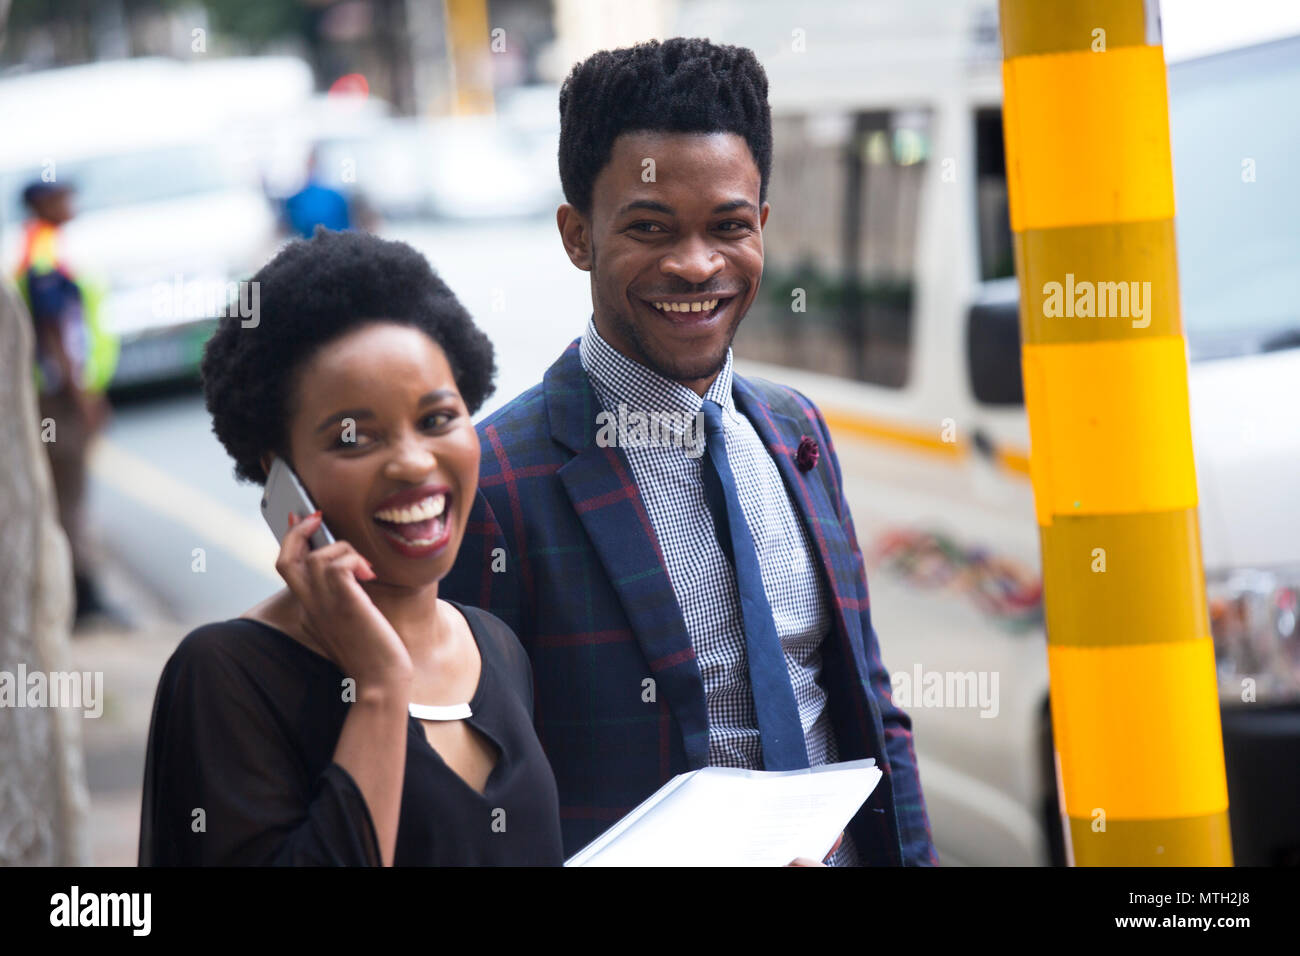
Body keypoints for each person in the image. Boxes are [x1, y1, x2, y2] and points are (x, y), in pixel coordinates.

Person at [439, 38, 938, 866]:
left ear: (763, 228)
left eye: (728, 227)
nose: (696, 264)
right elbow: (470, 793)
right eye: (649, 228)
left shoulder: (798, 433)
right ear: (578, 235)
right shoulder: (496, 484)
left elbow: (873, 709)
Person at [138, 228, 562, 866]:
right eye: (354, 439)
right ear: (283, 476)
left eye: (437, 419)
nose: (414, 463)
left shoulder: (495, 647)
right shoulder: (227, 675)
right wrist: (381, 685)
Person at [12, 180, 120, 627]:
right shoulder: (43, 255)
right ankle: (83, 598)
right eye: (62, 198)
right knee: (68, 496)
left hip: (59, 393)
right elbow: (56, 332)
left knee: (65, 494)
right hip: (59, 397)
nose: (70, 205)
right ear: (41, 205)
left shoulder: (43, 247)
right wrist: (84, 397)